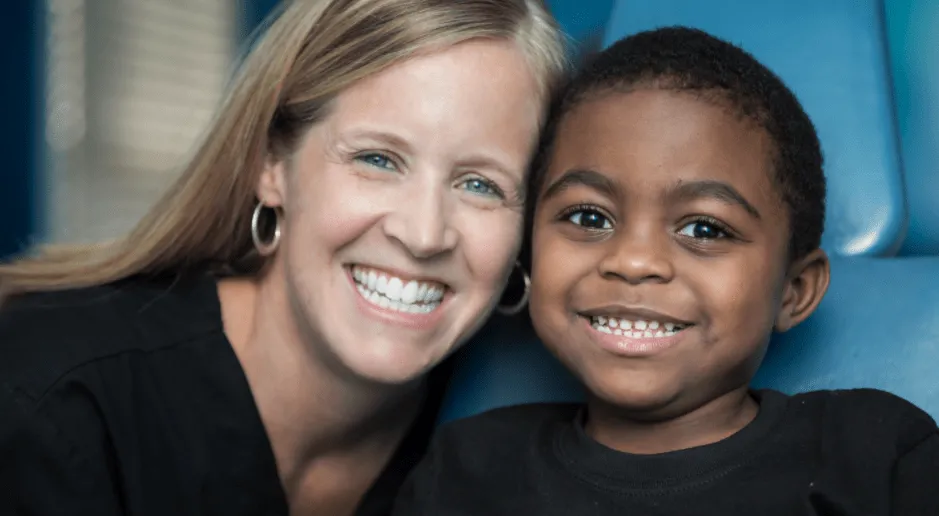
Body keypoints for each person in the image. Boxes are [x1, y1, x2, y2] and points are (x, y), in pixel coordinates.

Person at [0, 0, 567, 514]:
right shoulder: (47, 402)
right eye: (377, 159)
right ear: (271, 163)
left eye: (481, 185)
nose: (423, 234)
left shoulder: (508, 441)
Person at [392, 27, 939, 515]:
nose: (632, 261)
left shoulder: (875, 454)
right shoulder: (467, 469)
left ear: (795, 291)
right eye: (588, 216)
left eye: (704, 229)